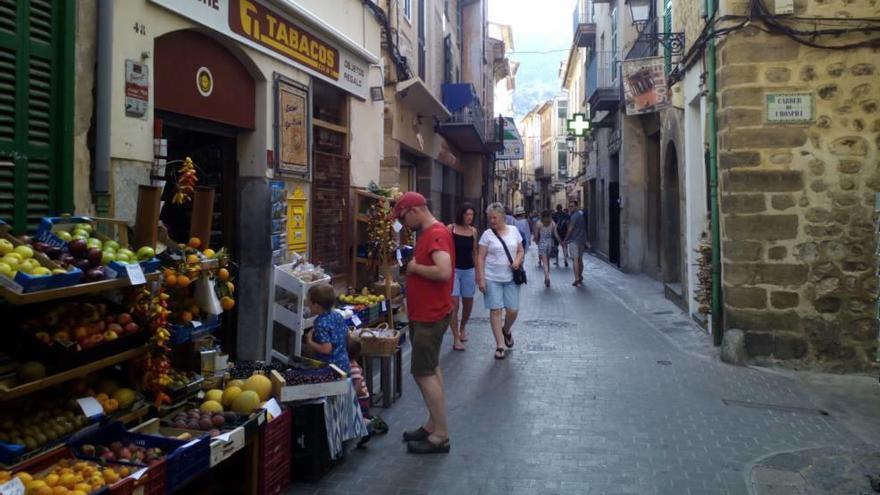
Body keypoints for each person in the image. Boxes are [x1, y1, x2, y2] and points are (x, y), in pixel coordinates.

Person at [392, 192, 454, 454]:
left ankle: (440, 435)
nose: (404, 223)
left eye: (404, 217)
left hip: (430, 316)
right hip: (424, 314)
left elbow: (444, 271)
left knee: (423, 372)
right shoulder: (429, 233)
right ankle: (433, 424)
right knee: (431, 368)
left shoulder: (435, 234)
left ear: (415, 210)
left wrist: (415, 270)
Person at [476, 202, 524, 360]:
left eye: (494, 217)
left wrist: (517, 261)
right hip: (492, 278)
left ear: (503, 217)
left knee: (513, 310)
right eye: (490, 218)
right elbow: (481, 257)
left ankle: (506, 330)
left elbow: (520, 250)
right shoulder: (487, 235)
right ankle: (499, 345)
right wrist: (481, 278)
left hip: (511, 278)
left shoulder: (514, 231)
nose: (492, 221)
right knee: (495, 311)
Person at [447, 204, 478, 351]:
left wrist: (479, 273)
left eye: (471, 215)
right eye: (467, 214)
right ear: (461, 215)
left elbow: (475, 253)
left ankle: (463, 326)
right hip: (454, 270)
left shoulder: (473, 231)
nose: (469, 217)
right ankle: (455, 338)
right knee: (454, 303)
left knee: (468, 302)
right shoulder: (450, 229)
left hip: (469, 270)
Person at [304, 284, 351, 373]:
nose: (308, 305)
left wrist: (310, 342)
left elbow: (326, 349)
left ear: (316, 306)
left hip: (331, 368)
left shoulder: (320, 323)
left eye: (309, 302)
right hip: (344, 363)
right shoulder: (337, 315)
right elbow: (347, 334)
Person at [534, 210, 563, 287]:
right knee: (548, 261)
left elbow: (536, 235)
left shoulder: (539, 223)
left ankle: (547, 277)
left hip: (542, 243)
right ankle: (547, 276)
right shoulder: (552, 223)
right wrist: (561, 243)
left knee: (544, 262)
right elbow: (556, 235)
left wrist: (536, 241)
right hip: (550, 243)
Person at [563, 199, 588, 287]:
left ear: (576, 206)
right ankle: (580, 276)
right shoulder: (581, 215)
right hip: (581, 240)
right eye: (569, 206)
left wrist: (566, 239)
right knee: (580, 260)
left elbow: (570, 229)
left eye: (572, 206)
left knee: (575, 260)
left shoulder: (574, 216)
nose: (570, 208)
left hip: (574, 240)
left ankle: (577, 278)